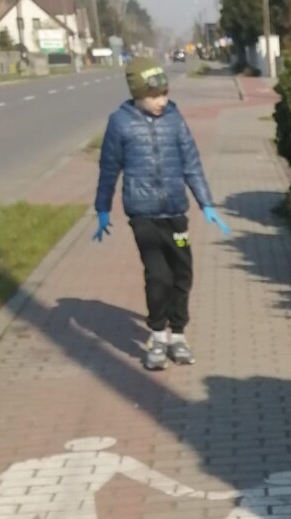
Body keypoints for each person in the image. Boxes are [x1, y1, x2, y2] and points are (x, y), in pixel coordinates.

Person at [92, 56, 231, 371]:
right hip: (143, 217)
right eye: (154, 96)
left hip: (176, 216)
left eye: (164, 94)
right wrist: (102, 208)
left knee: (183, 272)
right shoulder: (120, 123)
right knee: (158, 276)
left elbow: (191, 163)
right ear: (137, 94)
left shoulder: (175, 119)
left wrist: (206, 203)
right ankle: (157, 337)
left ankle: (177, 335)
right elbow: (109, 169)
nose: (161, 102)